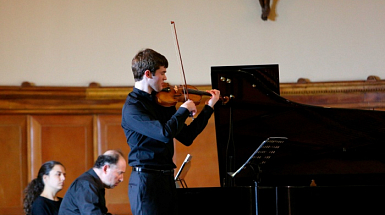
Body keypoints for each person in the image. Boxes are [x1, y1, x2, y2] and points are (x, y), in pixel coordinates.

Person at [121, 48, 220, 215]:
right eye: (162, 73)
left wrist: (209, 107)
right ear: (147, 73)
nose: (166, 78)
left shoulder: (162, 102)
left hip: (166, 179)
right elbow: (164, 133)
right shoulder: (133, 108)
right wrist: (182, 111)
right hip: (146, 181)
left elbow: (187, 137)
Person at [59, 150, 126, 215]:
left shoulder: (92, 183)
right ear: (105, 169)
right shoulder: (86, 184)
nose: (122, 179)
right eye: (120, 173)